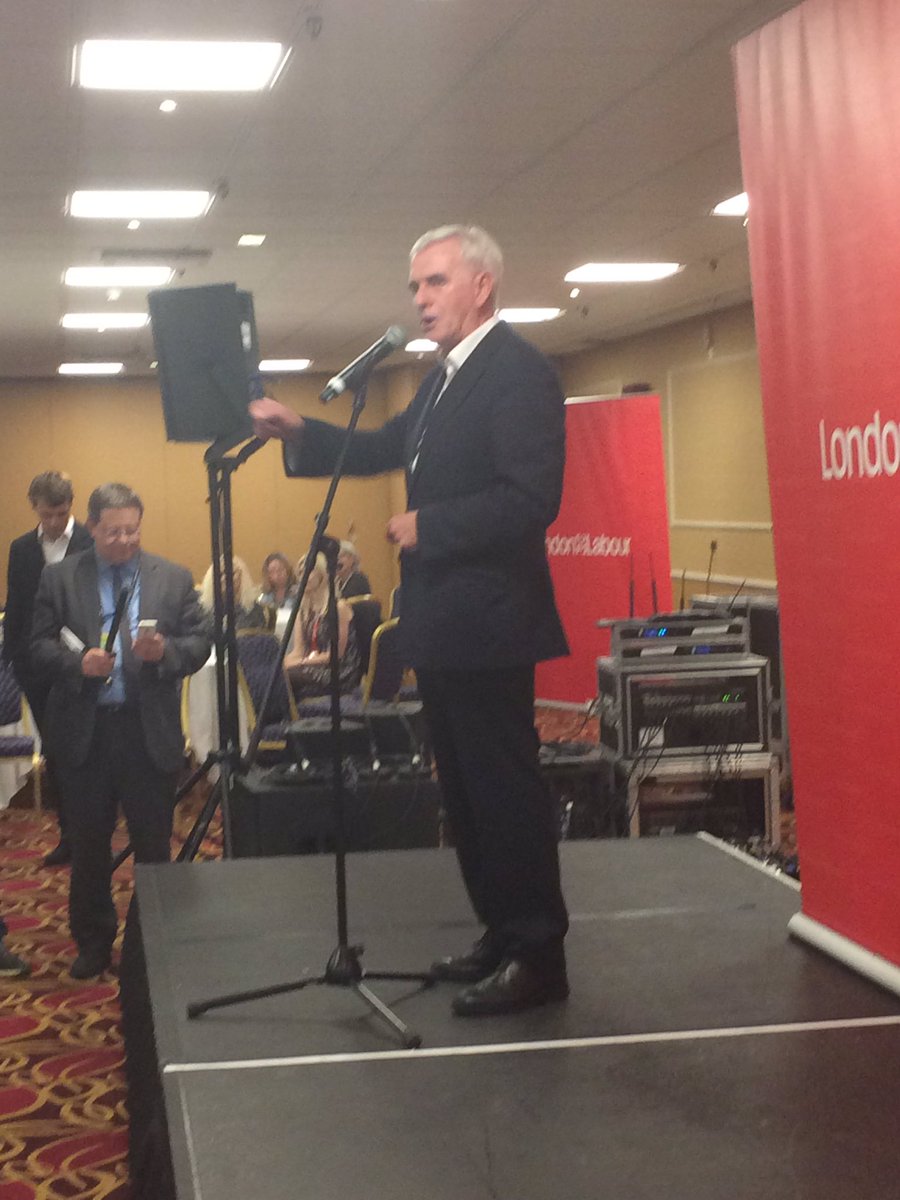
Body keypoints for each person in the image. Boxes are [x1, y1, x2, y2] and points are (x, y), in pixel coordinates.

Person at [250, 224, 570, 1017]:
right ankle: (501, 932)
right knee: (463, 794)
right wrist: (303, 432)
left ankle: (540, 955)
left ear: (482, 286)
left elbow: (532, 499)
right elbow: (385, 444)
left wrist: (433, 525)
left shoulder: (519, 372)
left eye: (435, 282)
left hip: (492, 623)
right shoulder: (441, 380)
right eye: (415, 287)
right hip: (445, 622)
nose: (420, 300)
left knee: (504, 793)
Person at [31, 482, 211, 979]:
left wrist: (166, 652)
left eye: (133, 530)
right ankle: (93, 942)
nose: (125, 540)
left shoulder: (172, 577)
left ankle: (151, 942)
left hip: (146, 732)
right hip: (86, 735)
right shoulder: (60, 578)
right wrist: (77, 664)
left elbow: (200, 641)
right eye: (114, 532)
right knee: (89, 847)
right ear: (92, 528)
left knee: (153, 846)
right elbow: (36, 647)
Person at [3, 471, 93, 867]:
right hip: (37, 668)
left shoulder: (91, 541)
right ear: (34, 508)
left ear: (71, 505)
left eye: (61, 513)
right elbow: (17, 607)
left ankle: (92, 834)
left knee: (87, 752)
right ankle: (69, 835)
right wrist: (13, 661)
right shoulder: (22, 548)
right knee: (54, 753)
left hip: (84, 665)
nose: (55, 522)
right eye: (47, 515)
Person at [283, 552, 360, 698]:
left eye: (309, 571)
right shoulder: (303, 611)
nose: (304, 576)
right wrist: (281, 662)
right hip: (311, 664)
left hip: (339, 670)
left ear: (322, 574)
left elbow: (336, 654)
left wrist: (301, 662)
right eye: (301, 572)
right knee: (274, 675)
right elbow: (299, 650)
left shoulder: (338, 608)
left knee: (287, 677)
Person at [198, 556, 267, 632]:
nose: (224, 578)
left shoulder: (254, 610)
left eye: (230, 573)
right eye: (220, 575)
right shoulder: (202, 610)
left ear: (242, 576)